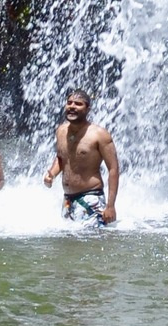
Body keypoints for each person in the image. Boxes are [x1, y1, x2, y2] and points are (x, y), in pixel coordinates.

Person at [43, 86, 119, 226]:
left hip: (91, 198)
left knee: (91, 243)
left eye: (78, 104)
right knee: (69, 244)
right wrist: (52, 174)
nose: (72, 106)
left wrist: (110, 206)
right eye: (69, 102)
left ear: (88, 108)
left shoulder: (99, 135)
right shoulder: (61, 130)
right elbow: (61, 157)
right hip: (67, 199)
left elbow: (113, 169)